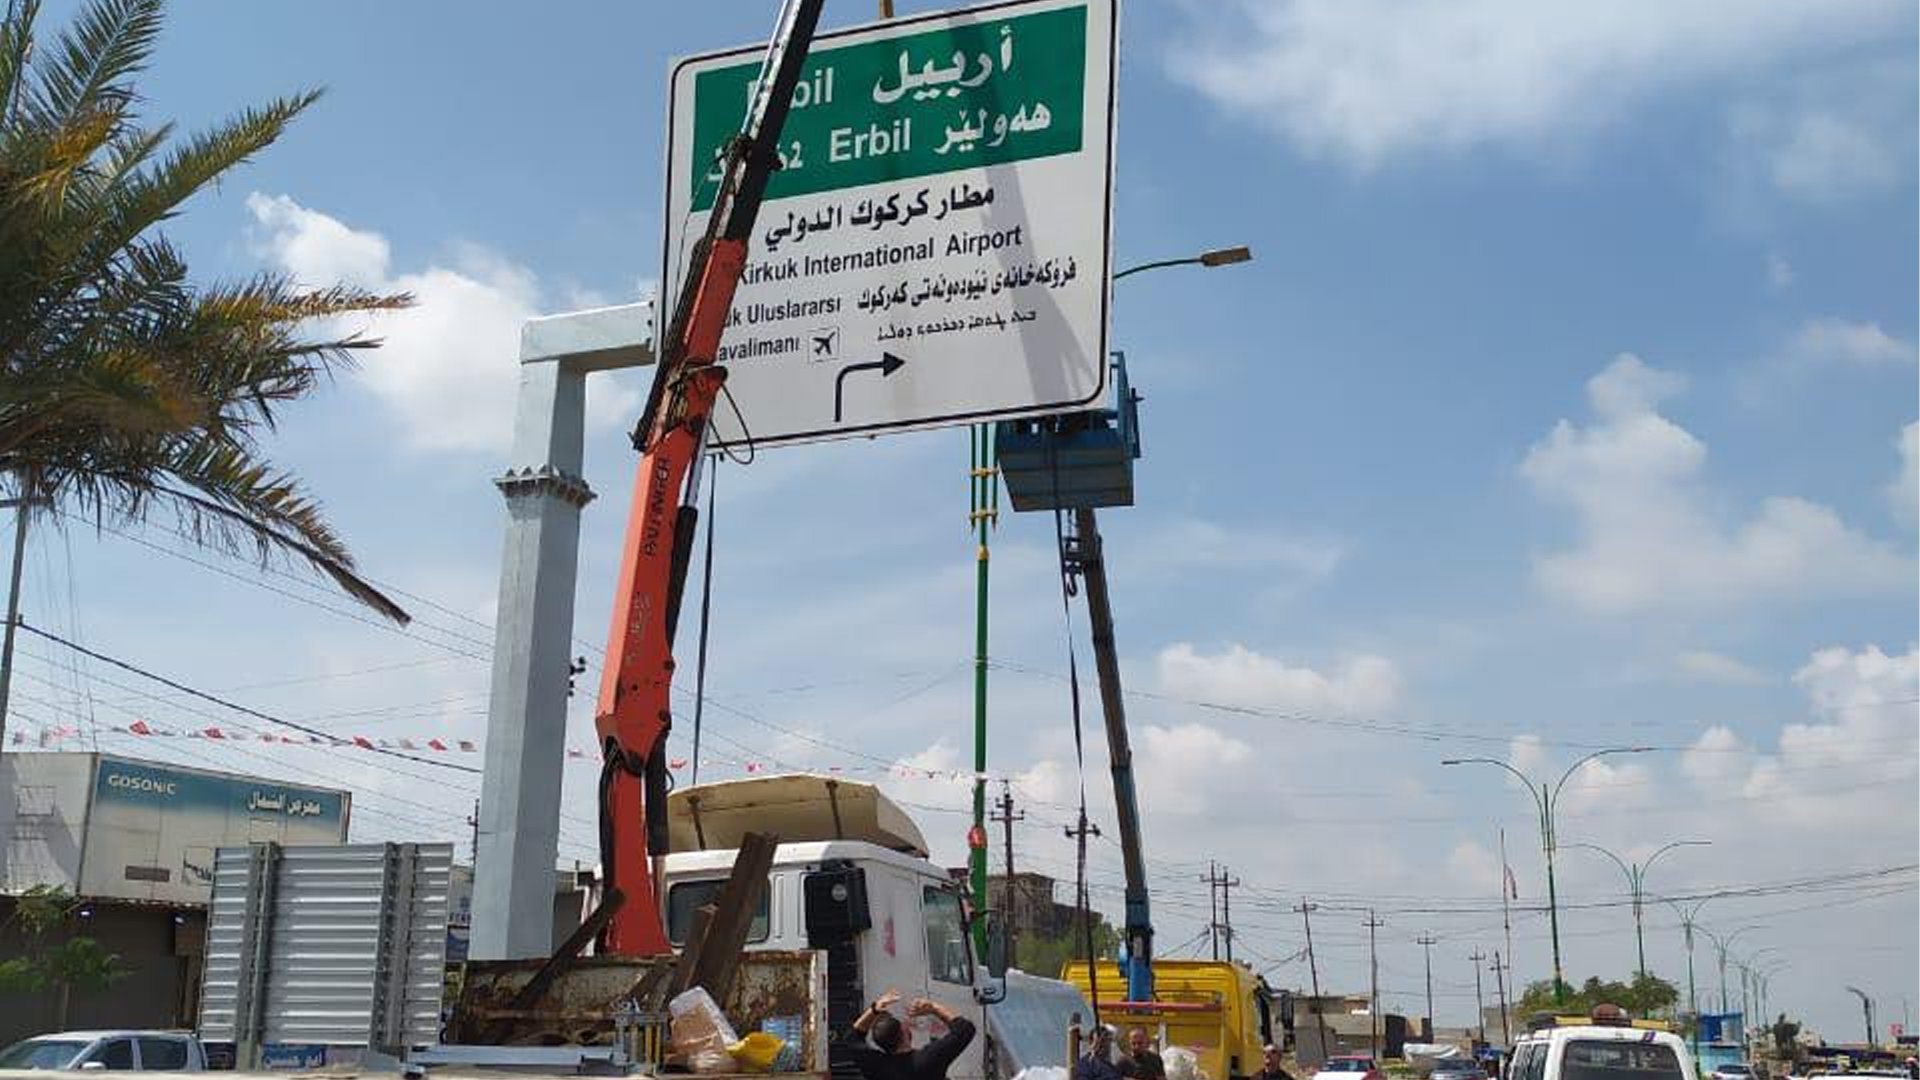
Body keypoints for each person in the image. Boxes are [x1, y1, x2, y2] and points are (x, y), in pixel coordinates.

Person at [844, 989, 976, 1080]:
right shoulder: (929, 1059)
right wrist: (934, 1008)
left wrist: (873, 1010)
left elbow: (852, 1038)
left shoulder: (876, 1066)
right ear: (905, 1033)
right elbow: (965, 1029)